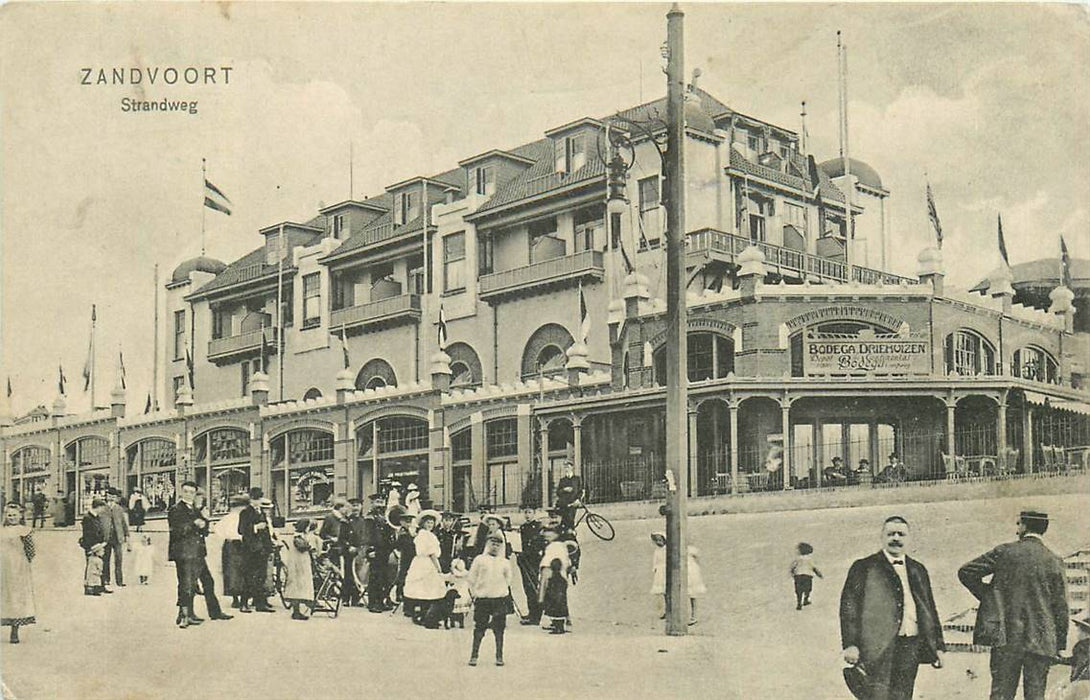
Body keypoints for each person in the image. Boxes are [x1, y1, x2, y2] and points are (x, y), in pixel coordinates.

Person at [957, 509, 1069, 700]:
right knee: (1035, 696)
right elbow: (1061, 607)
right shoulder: (1055, 561)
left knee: (1001, 694)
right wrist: (1060, 643)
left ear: (1024, 526)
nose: (1017, 528)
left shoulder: (1004, 552)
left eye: (1018, 524)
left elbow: (966, 571)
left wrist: (991, 597)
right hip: (1041, 640)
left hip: (1006, 637)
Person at [840, 515, 945, 700]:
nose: (895, 538)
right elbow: (849, 608)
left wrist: (939, 646)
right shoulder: (863, 566)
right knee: (877, 695)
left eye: (901, 534)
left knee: (903, 695)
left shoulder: (918, 569)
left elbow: (930, 608)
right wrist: (850, 644)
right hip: (877, 646)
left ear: (908, 538)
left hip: (911, 644)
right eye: (890, 534)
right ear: (882, 537)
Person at [168, 481, 233, 628]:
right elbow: (177, 531)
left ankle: (214, 612)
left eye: (192, 492)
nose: (189, 495)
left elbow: (204, 531)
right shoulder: (176, 509)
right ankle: (186, 615)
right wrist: (194, 524)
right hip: (184, 553)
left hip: (197, 552)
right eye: (186, 491)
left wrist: (205, 521)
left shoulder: (196, 509)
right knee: (187, 584)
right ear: (181, 492)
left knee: (208, 581)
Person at [467, 534, 512, 666]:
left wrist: (500, 590)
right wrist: (476, 592)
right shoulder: (480, 560)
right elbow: (472, 577)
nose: (495, 547)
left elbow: (509, 579)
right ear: (487, 544)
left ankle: (499, 656)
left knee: (499, 629)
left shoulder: (504, 562)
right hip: (483, 599)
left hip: (499, 599)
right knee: (479, 627)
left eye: (498, 544)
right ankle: (474, 655)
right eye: (492, 543)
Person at [649, 531, 706, 625]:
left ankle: (694, 615)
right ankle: (670, 611)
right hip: (671, 572)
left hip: (691, 573)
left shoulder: (688, 549)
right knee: (666, 592)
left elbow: (697, 557)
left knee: (692, 594)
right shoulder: (666, 549)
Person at [404, 509, 448, 628]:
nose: (430, 525)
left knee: (424, 590)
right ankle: (424, 616)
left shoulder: (422, 534)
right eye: (428, 522)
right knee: (428, 590)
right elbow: (431, 554)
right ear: (423, 523)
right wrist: (438, 568)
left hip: (420, 562)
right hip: (427, 563)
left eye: (432, 523)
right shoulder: (426, 535)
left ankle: (423, 615)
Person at [1, 503, 37, 643]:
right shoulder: (1, 530)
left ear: (20, 516)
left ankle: (14, 630)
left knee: (16, 596)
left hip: (17, 568)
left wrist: (23, 562)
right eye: (9, 515)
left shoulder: (24, 531)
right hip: (2, 567)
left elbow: (30, 550)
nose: (11, 518)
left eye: (14, 515)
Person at [238, 487, 276, 613]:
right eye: (255, 499)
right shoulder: (245, 512)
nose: (257, 501)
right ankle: (243, 603)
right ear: (251, 499)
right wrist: (255, 527)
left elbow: (266, 532)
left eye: (259, 499)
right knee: (248, 576)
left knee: (262, 576)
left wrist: (270, 545)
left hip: (262, 549)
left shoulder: (262, 513)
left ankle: (260, 602)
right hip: (250, 550)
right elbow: (241, 530)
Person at [214, 493, 249, 608]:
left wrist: (225, 537)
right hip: (236, 544)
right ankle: (238, 597)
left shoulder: (227, 518)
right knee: (238, 570)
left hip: (230, 544)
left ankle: (235, 597)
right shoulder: (236, 517)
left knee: (233, 571)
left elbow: (217, 530)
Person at [281, 519, 320, 621]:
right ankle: (297, 610)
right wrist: (310, 547)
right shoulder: (298, 537)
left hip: (300, 563)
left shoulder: (299, 536)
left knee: (299, 586)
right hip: (298, 564)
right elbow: (302, 547)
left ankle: (300, 609)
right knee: (298, 586)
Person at [517, 510, 546, 626]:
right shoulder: (523, 527)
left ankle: (536, 616)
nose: (527, 515)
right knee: (527, 587)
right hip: (525, 560)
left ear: (534, 513)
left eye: (529, 512)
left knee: (534, 586)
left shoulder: (538, 527)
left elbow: (541, 544)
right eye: (525, 512)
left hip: (534, 560)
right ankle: (531, 613)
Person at [101, 489, 129, 588]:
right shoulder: (102, 508)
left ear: (116, 498)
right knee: (105, 559)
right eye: (109, 496)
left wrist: (127, 536)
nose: (111, 498)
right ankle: (106, 579)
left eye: (113, 497)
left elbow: (124, 523)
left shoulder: (119, 509)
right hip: (106, 537)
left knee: (118, 560)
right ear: (106, 497)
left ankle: (119, 580)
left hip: (117, 537)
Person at [80, 498, 108, 595]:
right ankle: (89, 588)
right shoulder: (88, 518)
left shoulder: (96, 517)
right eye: (102, 508)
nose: (103, 510)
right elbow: (87, 534)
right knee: (91, 567)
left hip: (99, 545)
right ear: (98, 507)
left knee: (99, 566)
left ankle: (99, 586)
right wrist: (91, 548)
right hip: (92, 546)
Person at [392, 509, 417, 613]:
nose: (408, 523)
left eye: (409, 521)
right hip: (406, 557)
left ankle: (403, 597)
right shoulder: (402, 532)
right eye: (406, 521)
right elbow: (400, 545)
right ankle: (400, 595)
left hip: (411, 557)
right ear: (401, 522)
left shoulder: (409, 531)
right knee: (403, 575)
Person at [343, 498, 366, 607]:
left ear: (361, 507)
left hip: (361, 552)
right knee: (348, 575)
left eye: (357, 505)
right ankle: (346, 599)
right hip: (350, 552)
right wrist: (348, 546)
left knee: (359, 574)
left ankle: (356, 598)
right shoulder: (346, 521)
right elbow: (341, 538)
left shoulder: (364, 521)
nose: (355, 508)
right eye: (353, 506)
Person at [790, 542, 823, 610]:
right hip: (807, 576)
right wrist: (819, 574)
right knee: (808, 589)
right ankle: (806, 599)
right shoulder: (809, 559)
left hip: (798, 576)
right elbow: (814, 568)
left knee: (799, 590)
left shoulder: (797, 559)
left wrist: (792, 574)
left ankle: (799, 603)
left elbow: (792, 567)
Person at [554, 461, 584, 532]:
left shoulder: (577, 479)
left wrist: (578, 500)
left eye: (568, 466)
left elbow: (580, 491)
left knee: (570, 520)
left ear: (572, 467)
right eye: (565, 467)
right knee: (564, 521)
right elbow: (558, 492)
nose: (566, 468)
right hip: (564, 504)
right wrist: (564, 489)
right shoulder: (562, 480)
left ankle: (571, 535)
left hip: (573, 503)